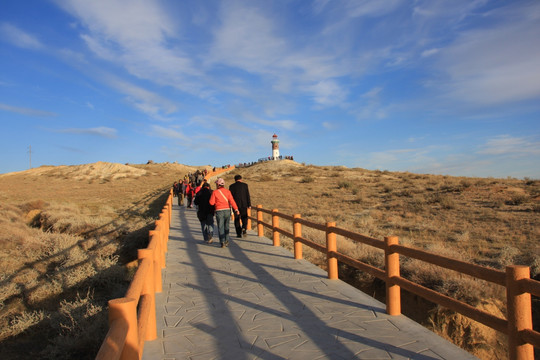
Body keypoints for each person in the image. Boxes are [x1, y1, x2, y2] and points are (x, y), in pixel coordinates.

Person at [209, 178, 239, 248]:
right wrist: (236, 209)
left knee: (221, 226)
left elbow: (211, 203)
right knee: (226, 226)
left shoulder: (215, 192)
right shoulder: (228, 192)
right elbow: (232, 201)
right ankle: (227, 240)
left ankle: (222, 241)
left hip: (219, 211)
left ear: (218, 184)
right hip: (227, 210)